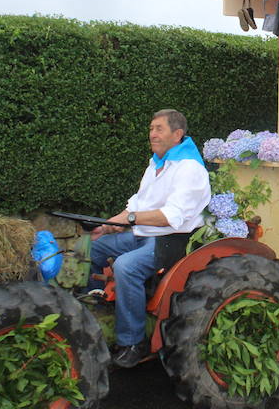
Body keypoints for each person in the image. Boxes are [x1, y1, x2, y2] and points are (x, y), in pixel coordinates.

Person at [89, 109, 211, 367]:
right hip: (144, 234)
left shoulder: (189, 168)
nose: (152, 134)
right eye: (151, 128)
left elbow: (172, 216)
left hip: (172, 240)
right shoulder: (157, 162)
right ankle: (94, 307)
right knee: (96, 248)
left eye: (159, 129)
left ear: (177, 134)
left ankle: (132, 341)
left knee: (126, 267)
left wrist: (130, 220)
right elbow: (138, 202)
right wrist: (112, 223)